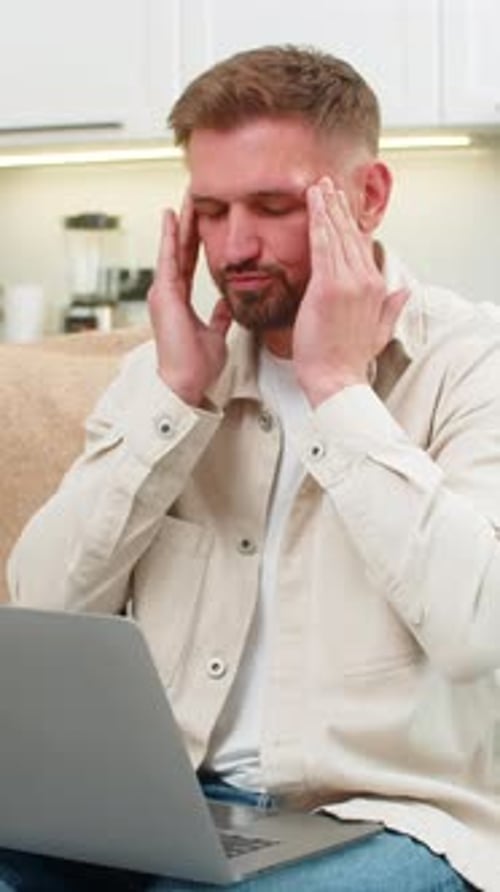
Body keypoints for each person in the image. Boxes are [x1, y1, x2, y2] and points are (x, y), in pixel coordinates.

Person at [5, 44, 500, 891]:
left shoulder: (472, 364)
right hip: (164, 803)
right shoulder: (167, 376)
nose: (236, 245)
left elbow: (478, 627)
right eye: (210, 209)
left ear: (370, 196)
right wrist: (176, 404)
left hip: (387, 816)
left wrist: (339, 390)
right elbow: (43, 602)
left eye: (273, 206)